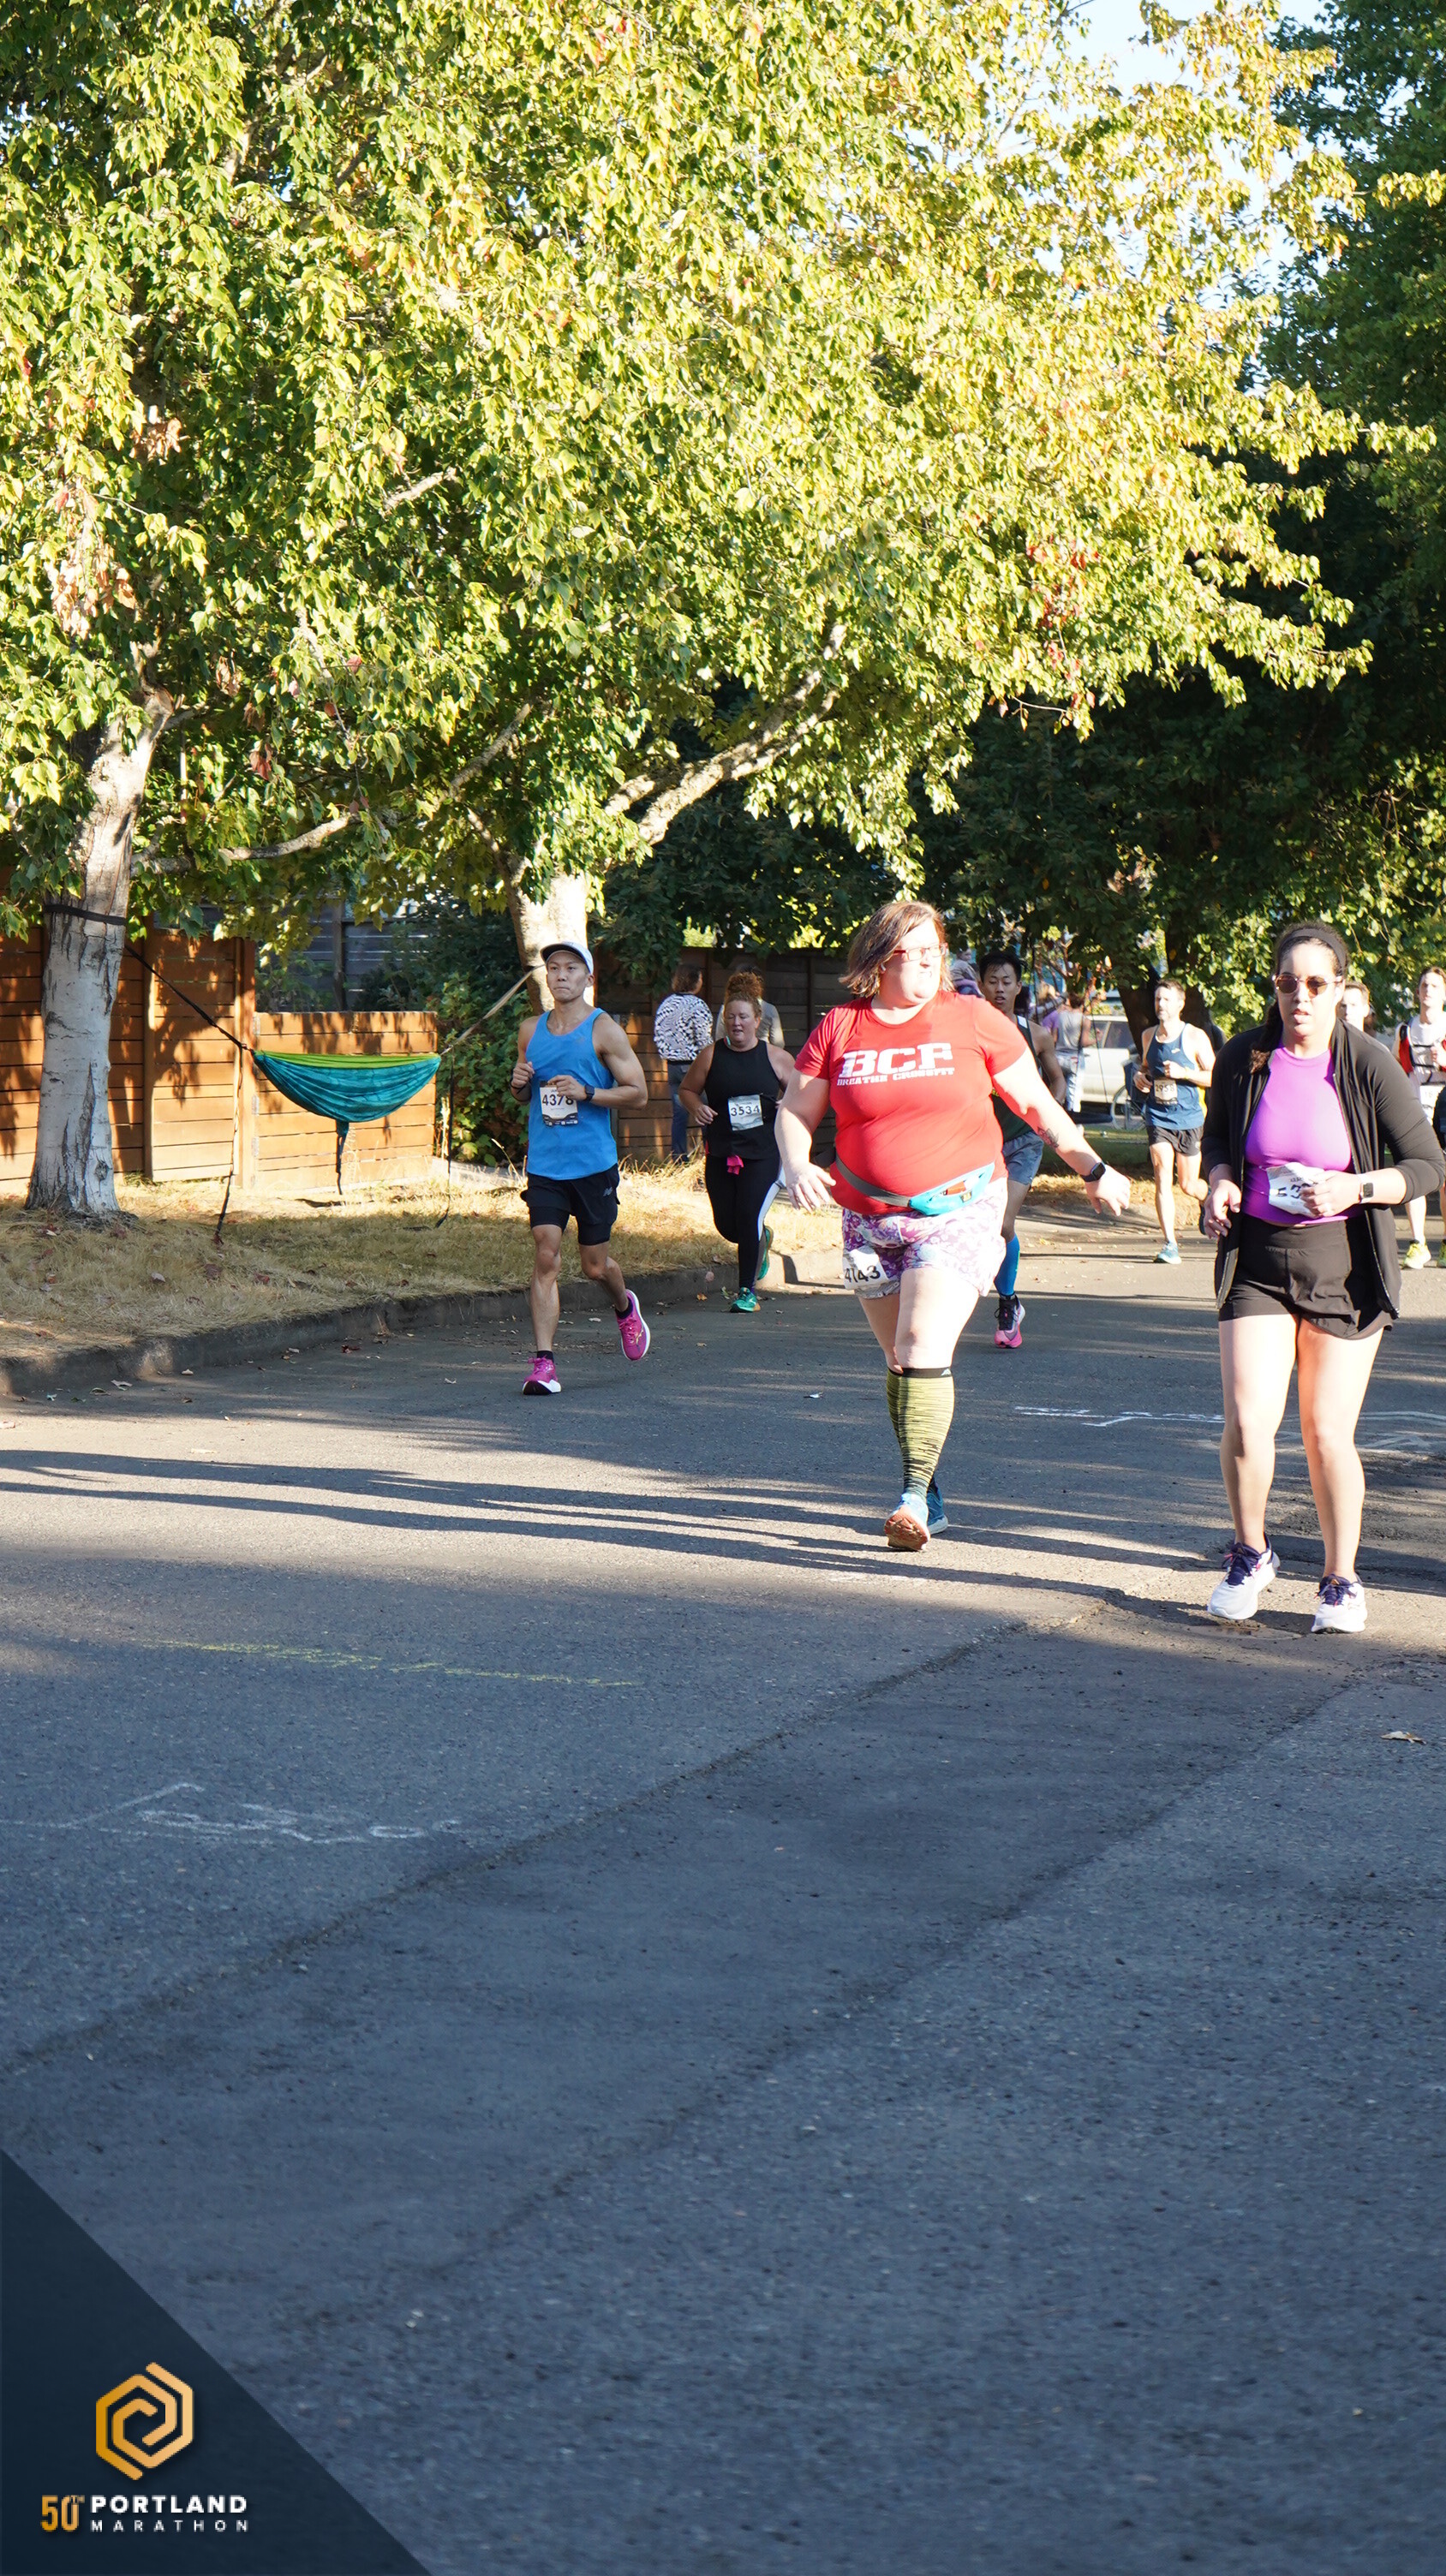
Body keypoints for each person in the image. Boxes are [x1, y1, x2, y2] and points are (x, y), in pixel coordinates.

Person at [776, 898, 1131, 1551]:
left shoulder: (972, 1018)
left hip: (961, 1206)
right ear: (879, 958)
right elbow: (796, 1111)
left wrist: (1093, 1167)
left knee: (920, 1344)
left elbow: (1036, 1103)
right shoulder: (842, 1025)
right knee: (899, 1358)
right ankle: (926, 1484)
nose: (924, 962)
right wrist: (796, 1163)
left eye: (933, 951)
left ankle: (913, 1498)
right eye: (909, 952)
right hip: (867, 1219)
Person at [1200, 920, 1444, 1631]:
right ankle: (1251, 1553)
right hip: (1258, 1263)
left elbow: (1428, 1164)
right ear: (1274, 987)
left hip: (1345, 1269)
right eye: (1287, 983)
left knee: (1325, 1434)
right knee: (1248, 1422)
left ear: (1339, 988)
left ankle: (1340, 1580)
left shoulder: (1368, 1063)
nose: (1299, 997)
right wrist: (1220, 1180)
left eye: (1314, 984)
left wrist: (1357, 1187)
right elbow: (1217, 1138)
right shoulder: (1244, 1057)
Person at [511, 939, 653, 1393]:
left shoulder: (604, 1030)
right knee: (546, 1253)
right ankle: (544, 1364)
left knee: (594, 1266)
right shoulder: (530, 1031)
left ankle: (624, 1307)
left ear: (589, 978)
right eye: (554, 968)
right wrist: (518, 1084)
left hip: (593, 1166)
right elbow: (525, 1093)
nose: (561, 975)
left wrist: (588, 1092)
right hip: (546, 1166)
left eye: (571, 968)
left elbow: (639, 1093)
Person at [680, 974, 795, 1312]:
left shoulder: (776, 1058)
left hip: (763, 1154)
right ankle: (762, 1239)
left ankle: (747, 1292)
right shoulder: (710, 1056)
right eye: (730, 1017)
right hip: (721, 1152)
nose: (736, 1023)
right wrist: (697, 1107)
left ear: (758, 1020)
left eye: (743, 1017)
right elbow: (686, 1090)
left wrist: (788, 1104)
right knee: (727, 1226)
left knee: (747, 1216)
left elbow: (805, 1094)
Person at [977, 948, 1067, 1346]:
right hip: (980, 1142)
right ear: (981, 985)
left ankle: (1008, 1302)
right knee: (978, 1226)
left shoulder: (1035, 1034)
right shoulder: (969, 1032)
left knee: (1003, 1224)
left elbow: (1057, 1079)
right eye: (992, 981)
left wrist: (1050, 1112)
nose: (999, 988)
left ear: (1017, 987)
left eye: (1006, 981)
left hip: (1024, 1141)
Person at [1131, 976, 1215, 1263]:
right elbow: (1144, 1067)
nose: (1161, 1004)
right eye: (1157, 999)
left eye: (1166, 999)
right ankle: (1170, 1244)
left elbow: (1215, 1075)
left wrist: (1185, 1073)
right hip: (1158, 1116)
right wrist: (1140, 1077)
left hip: (1189, 1119)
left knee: (1188, 1185)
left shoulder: (1194, 1037)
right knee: (1161, 1176)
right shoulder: (1148, 1036)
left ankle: (1209, 1198)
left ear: (1180, 1004)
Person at [1392, 966, 1446, 1266]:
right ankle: (1418, 1242)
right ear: (1417, 992)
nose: (1428, 991)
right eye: (1424, 985)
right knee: (1414, 1172)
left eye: (1435, 986)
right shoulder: (1405, 1030)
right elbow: (1395, 1070)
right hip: (1415, 1110)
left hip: (1445, 1109)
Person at [652, 963, 715, 1162]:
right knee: (705, 1111)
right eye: (700, 978)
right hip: (694, 1066)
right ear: (694, 981)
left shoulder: (666, 1004)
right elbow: (703, 1039)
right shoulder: (697, 1005)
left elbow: (659, 1036)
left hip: (672, 1066)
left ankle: (678, 1159)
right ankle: (711, 1155)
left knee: (679, 1115)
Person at [712, 970, 785, 1048]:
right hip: (764, 1051)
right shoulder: (769, 1009)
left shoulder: (726, 1008)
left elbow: (720, 1037)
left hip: (733, 1051)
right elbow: (778, 1043)